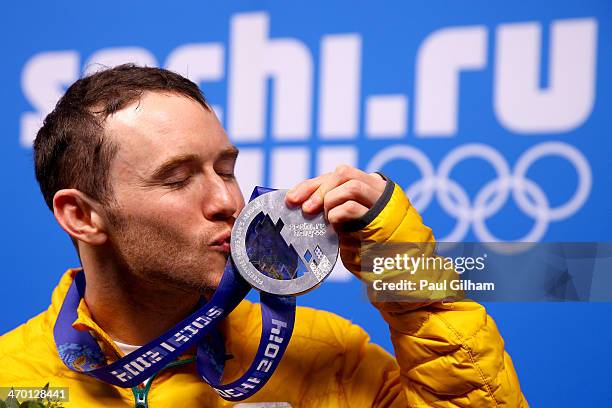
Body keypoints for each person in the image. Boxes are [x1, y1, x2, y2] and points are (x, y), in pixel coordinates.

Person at [0, 64, 528, 407]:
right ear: (82, 217)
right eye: (178, 179)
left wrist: (410, 280)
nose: (228, 201)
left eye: (225, 169)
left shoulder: (329, 358)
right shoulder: (10, 377)